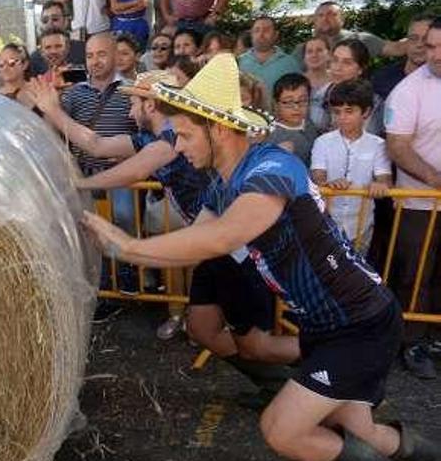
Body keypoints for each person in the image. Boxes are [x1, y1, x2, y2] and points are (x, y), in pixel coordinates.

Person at [81, 53, 439, 461]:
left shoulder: (272, 167)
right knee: (359, 432)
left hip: (357, 323)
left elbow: (221, 237)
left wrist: (126, 247)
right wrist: (121, 247)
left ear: (217, 129)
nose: (178, 147)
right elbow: (196, 241)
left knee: (281, 429)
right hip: (326, 325)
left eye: (184, 135)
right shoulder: (222, 185)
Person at [27, 69, 298, 397]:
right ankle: (276, 384)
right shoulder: (152, 140)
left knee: (257, 344)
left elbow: (134, 170)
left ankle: (325, 362)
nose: (130, 111)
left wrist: (76, 185)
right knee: (202, 329)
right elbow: (96, 145)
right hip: (209, 246)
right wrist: (53, 111)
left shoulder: (174, 139)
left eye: (135, 103)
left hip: (232, 249)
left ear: (152, 106)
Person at [60, 32, 140, 292]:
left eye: (102, 54)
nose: (95, 61)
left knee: (124, 219)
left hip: (122, 175)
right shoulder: (74, 94)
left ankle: (127, 273)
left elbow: (146, 133)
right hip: (84, 174)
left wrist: (133, 154)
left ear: (116, 56)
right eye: (90, 55)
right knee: (88, 228)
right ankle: (100, 283)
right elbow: (57, 126)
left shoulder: (132, 91)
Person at [385, 17, 441, 380]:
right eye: (431, 46)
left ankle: (436, 338)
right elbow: (398, 146)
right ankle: (412, 343)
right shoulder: (408, 90)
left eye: (439, 47)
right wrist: (437, 181)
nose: (433, 54)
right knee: (416, 275)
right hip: (419, 203)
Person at [310, 78, 391, 255]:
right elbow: (317, 175)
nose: (342, 117)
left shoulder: (378, 144)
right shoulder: (322, 142)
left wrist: (380, 185)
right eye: (337, 112)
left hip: (361, 227)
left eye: (349, 111)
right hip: (326, 226)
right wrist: (328, 184)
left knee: (358, 275)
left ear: (366, 112)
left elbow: (384, 178)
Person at [294, 1, 407, 64]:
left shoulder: (361, 40)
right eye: (320, 15)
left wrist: (418, 37)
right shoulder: (301, 50)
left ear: (342, 20)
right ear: (314, 21)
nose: (325, 18)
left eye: (331, 14)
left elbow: (397, 48)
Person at [316, 39, 385, 136]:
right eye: (335, 60)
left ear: (360, 69)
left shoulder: (373, 102)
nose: (338, 68)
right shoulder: (319, 95)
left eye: (347, 63)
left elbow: (368, 137)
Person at [372, 14, 433, 100]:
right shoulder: (382, 79)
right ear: (406, 41)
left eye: (426, 39)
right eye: (413, 38)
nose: (419, 44)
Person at [237, 16, 301, 94]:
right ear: (252, 34)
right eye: (257, 30)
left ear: (276, 34)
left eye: (266, 30)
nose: (261, 34)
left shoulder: (290, 63)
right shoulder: (238, 62)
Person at [266, 73, 318, 166]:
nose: (296, 107)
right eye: (288, 102)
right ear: (276, 104)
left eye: (302, 100)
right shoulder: (270, 134)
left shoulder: (309, 124)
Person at [29, 1, 86, 75]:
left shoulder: (83, 49)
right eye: (45, 20)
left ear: (66, 21)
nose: (50, 23)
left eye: (55, 19)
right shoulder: (35, 58)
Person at [0, 43, 38, 114]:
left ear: (25, 64)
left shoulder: (38, 92)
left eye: (11, 63)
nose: (5, 68)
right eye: (1, 64)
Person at [302, 37, 332, 128]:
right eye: (309, 51)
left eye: (319, 50)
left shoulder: (337, 82)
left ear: (329, 54)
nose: (314, 55)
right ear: (304, 57)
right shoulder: (296, 82)